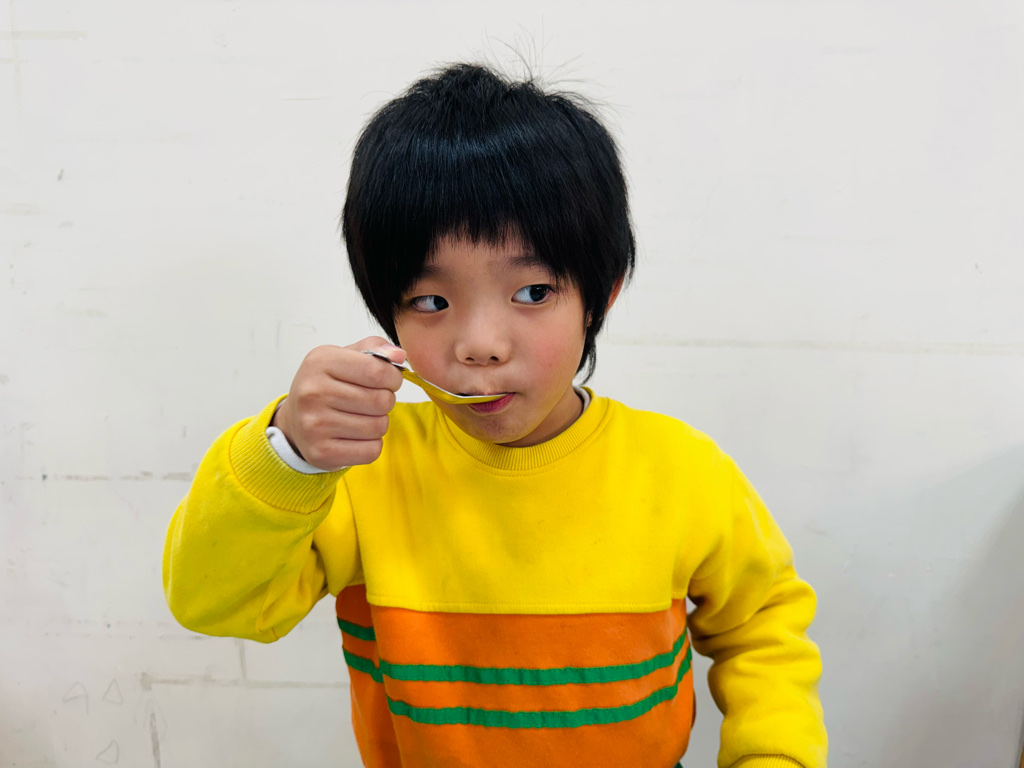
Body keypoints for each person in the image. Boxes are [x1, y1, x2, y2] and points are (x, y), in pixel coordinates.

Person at [163, 63, 827, 768]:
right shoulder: (362, 474)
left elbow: (762, 626)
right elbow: (215, 604)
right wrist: (289, 454)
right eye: (430, 301)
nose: (479, 345)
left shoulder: (683, 469)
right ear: (387, 314)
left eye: (533, 292)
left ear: (599, 295)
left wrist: (774, 754)